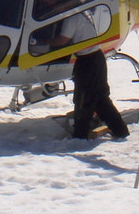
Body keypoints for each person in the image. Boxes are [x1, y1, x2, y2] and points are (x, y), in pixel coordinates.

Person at [54, 8, 129, 141]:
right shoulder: (82, 13)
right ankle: (120, 130)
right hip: (96, 59)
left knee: (84, 99)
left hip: (87, 61)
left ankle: (80, 136)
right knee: (100, 99)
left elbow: (62, 40)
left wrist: (43, 42)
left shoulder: (71, 17)